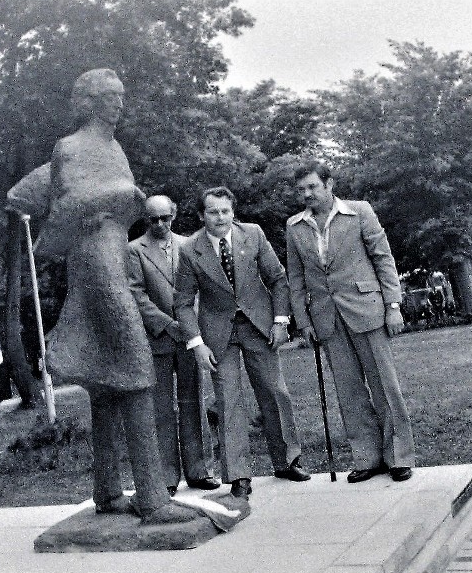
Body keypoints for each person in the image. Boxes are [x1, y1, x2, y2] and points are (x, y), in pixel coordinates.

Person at [12, 68, 195, 525]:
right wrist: (120, 192)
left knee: (106, 369)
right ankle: (153, 499)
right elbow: (67, 204)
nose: (120, 104)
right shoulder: (70, 147)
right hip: (94, 258)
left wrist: (124, 198)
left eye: (121, 96)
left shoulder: (115, 148)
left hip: (114, 250)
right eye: (111, 97)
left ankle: (108, 490)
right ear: (91, 103)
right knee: (135, 365)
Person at [174, 186, 308, 500]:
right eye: (212, 212)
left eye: (225, 211)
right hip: (218, 335)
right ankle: (238, 475)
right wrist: (196, 344)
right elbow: (182, 302)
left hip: (259, 326)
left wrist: (280, 321)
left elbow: (277, 278)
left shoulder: (254, 234)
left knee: (274, 392)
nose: (220, 217)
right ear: (201, 215)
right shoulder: (191, 248)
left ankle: (287, 460)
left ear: (233, 212)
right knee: (228, 400)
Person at [286, 161, 414, 483]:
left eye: (312, 187)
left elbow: (383, 258)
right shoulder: (295, 226)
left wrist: (393, 305)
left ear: (329, 184)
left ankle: (398, 457)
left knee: (385, 386)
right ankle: (367, 458)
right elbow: (297, 277)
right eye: (301, 189)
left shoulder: (359, 212)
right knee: (348, 390)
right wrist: (304, 320)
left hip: (367, 309)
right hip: (326, 317)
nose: (306, 194)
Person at [127, 195, 220, 495]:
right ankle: (167, 475)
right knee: (162, 408)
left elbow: (203, 288)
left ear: (174, 215)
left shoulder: (190, 244)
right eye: (153, 219)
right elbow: (136, 294)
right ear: (145, 219)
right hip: (159, 340)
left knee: (193, 402)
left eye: (165, 218)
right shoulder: (134, 251)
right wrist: (168, 325)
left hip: (191, 338)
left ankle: (199, 470)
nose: (159, 224)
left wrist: (192, 328)